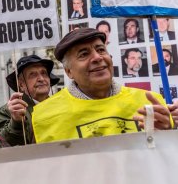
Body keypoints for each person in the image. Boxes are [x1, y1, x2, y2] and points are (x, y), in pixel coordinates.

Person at [32, 28, 172, 144]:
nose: (98, 58)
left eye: (101, 50)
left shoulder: (149, 102)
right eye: (84, 54)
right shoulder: (44, 116)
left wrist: (169, 134)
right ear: (69, 71)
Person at [0, 55, 59, 146]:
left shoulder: (60, 105)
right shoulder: (7, 111)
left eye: (44, 73)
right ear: (21, 85)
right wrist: (16, 122)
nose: (41, 79)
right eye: (33, 75)